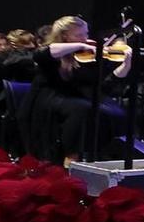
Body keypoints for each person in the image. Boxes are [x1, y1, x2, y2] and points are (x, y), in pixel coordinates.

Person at [22, 16, 131, 163]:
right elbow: (43, 53)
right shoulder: (53, 52)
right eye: (79, 35)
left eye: (86, 34)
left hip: (72, 98)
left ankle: (102, 156)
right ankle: (71, 157)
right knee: (82, 109)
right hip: (47, 99)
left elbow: (104, 86)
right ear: (64, 36)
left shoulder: (84, 58)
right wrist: (80, 45)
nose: (85, 38)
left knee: (111, 110)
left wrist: (126, 66)